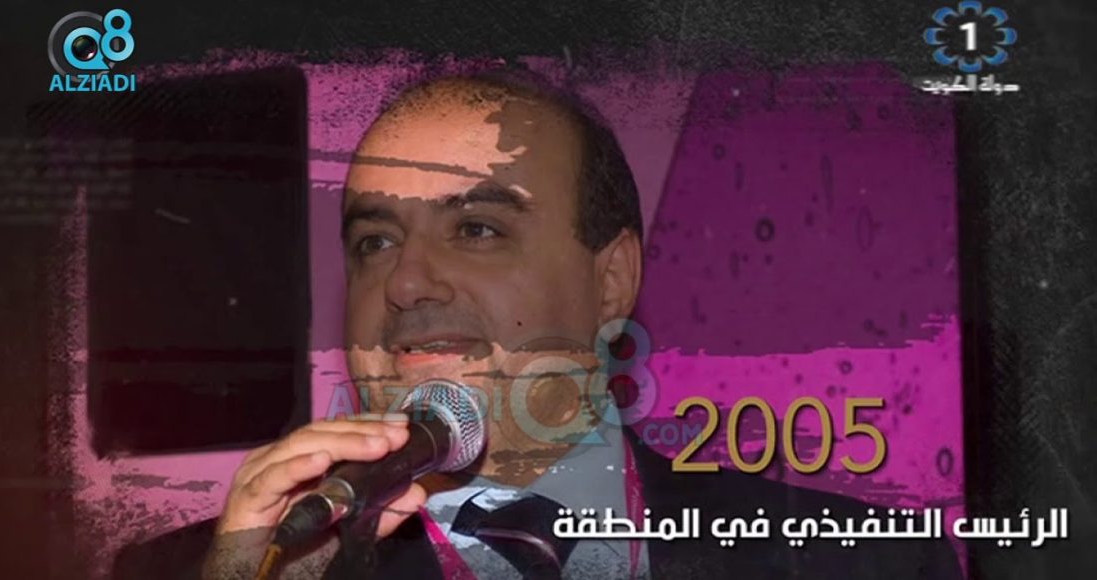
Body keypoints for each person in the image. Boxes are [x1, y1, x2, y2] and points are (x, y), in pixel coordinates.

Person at [113, 69, 962, 579]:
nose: (404, 282)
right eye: (375, 241)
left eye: (477, 229)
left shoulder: (861, 560)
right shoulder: (216, 567)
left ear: (611, 278)